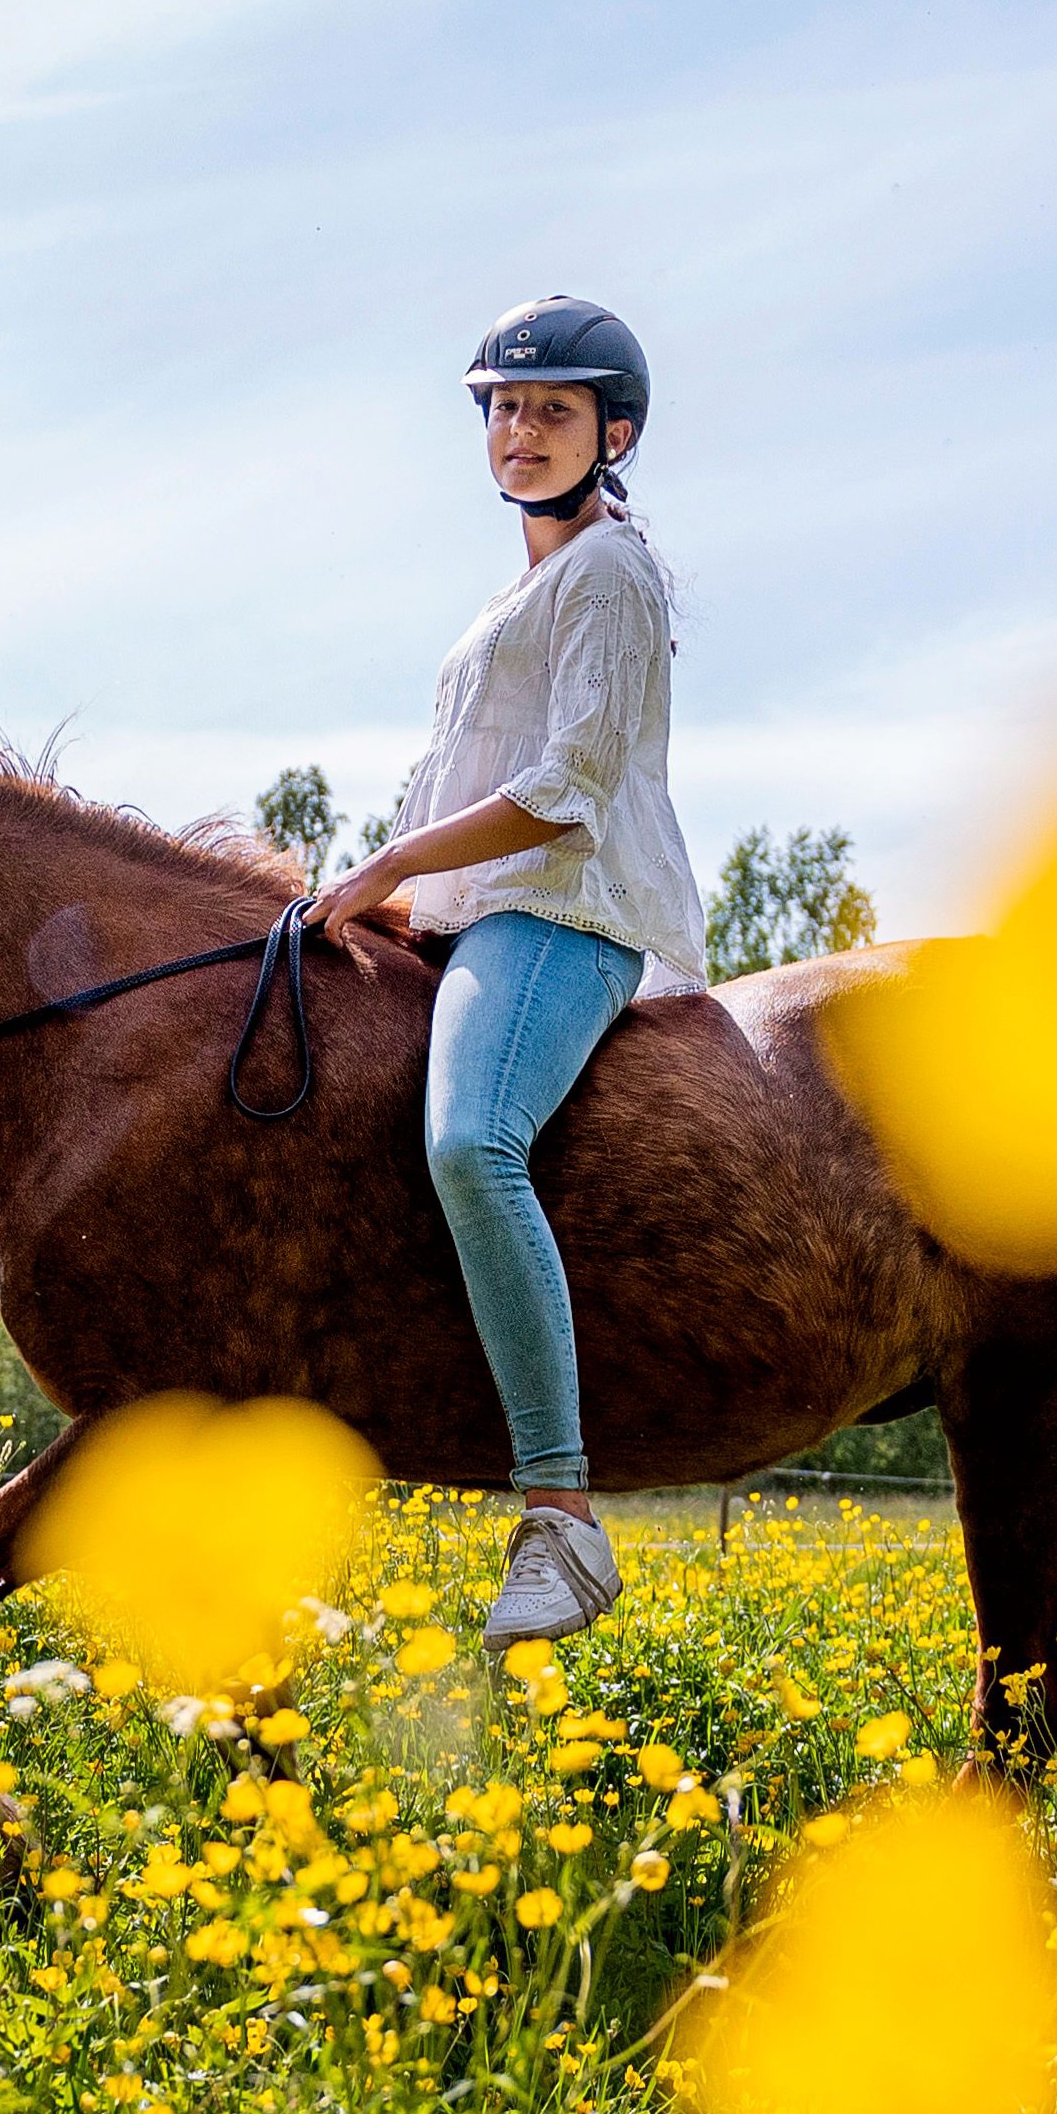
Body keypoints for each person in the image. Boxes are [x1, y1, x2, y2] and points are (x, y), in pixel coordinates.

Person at [303, 296, 708, 1648]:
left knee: (475, 1145)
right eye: (504, 410)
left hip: (563, 910)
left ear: (616, 432)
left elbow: (571, 786)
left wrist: (384, 870)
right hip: (477, 910)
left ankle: (563, 1518)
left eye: (553, 412)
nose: (522, 433)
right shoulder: (520, 594)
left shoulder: (608, 572)